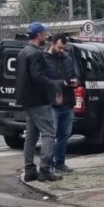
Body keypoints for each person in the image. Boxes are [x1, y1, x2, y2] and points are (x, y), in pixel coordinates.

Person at [16, 22, 67, 182]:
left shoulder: (23, 52)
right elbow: (38, 76)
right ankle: (45, 169)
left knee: (31, 136)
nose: (46, 36)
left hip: (27, 100)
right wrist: (55, 87)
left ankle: (29, 169)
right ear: (38, 35)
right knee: (49, 134)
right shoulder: (36, 54)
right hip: (38, 100)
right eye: (44, 33)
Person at [45, 34, 79, 174]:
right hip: (52, 104)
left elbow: (75, 75)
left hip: (67, 102)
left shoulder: (67, 58)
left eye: (63, 48)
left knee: (64, 134)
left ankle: (60, 162)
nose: (61, 50)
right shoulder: (44, 59)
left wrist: (76, 82)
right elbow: (44, 81)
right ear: (52, 44)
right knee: (51, 136)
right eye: (59, 47)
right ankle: (48, 165)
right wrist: (61, 83)